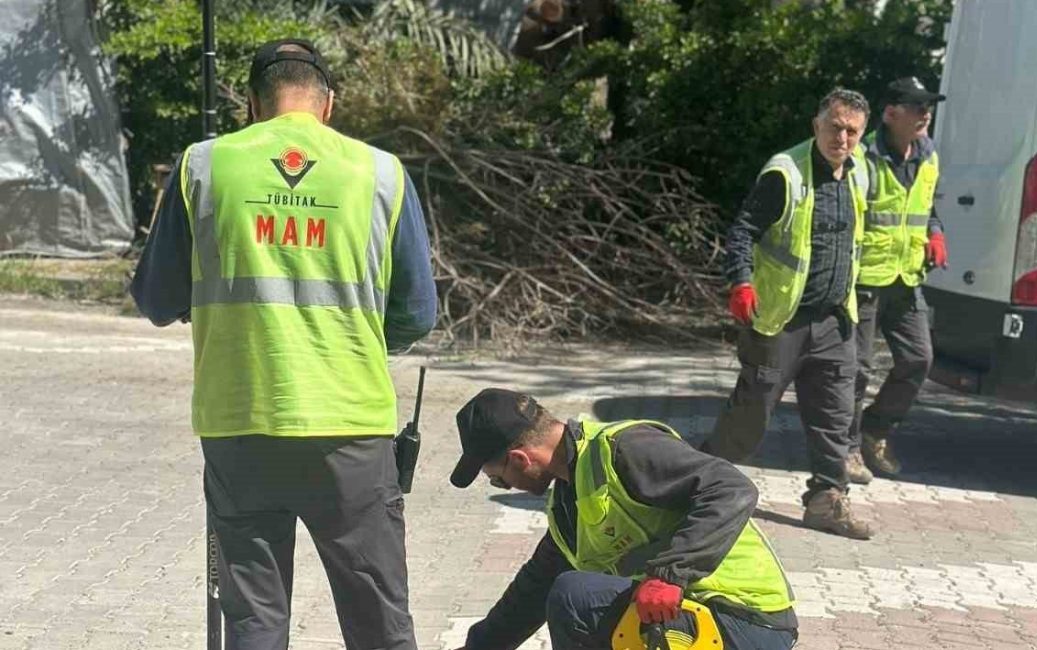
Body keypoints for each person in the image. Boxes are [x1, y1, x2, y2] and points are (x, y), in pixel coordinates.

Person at [130, 39, 436, 650]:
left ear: (251, 104)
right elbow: (418, 314)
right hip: (351, 425)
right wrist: (353, 343)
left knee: (254, 621)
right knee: (378, 620)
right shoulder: (380, 173)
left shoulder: (204, 166)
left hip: (241, 424)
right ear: (329, 105)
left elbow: (157, 300)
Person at [448, 388, 798, 650]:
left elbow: (732, 488)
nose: (505, 486)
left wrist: (670, 574)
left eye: (498, 478)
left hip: (748, 622)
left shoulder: (623, 449)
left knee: (574, 596)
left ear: (521, 459)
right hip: (692, 617)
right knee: (565, 589)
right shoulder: (570, 501)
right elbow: (531, 591)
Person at [701, 88, 874, 540]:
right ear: (816, 125)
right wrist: (740, 281)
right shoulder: (786, 174)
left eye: (852, 130)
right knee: (751, 413)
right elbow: (742, 232)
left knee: (836, 415)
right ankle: (695, 483)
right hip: (781, 320)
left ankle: (827, 499)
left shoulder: (860, 174)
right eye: (835, 127)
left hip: (834, 319)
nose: (842, 137)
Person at [845, 77, 948, 485]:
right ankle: (847, 449)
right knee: (856, 370)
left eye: (929, 106)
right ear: (890, 114)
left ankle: (876, 430)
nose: (926, 114)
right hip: (866, 278)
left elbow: (927, 208)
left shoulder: (928, 154)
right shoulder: (863, 156)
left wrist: (936, 233)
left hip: (906, 279)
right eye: (917, 106)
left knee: (918, 359)